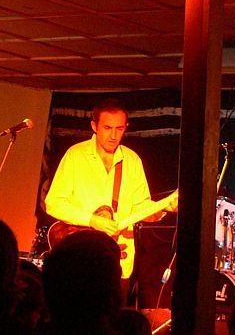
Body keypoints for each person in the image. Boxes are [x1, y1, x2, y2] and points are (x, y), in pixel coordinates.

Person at [44, 98, 178, 279]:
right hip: (80, 256)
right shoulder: (75, 155)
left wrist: (163, 208)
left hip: (118, 260)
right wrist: (92, 221)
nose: (113, 135)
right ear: (94, 126)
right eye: (107, 128)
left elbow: (140, 206)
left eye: (119, 128)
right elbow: (53, 203)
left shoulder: (132, 160)